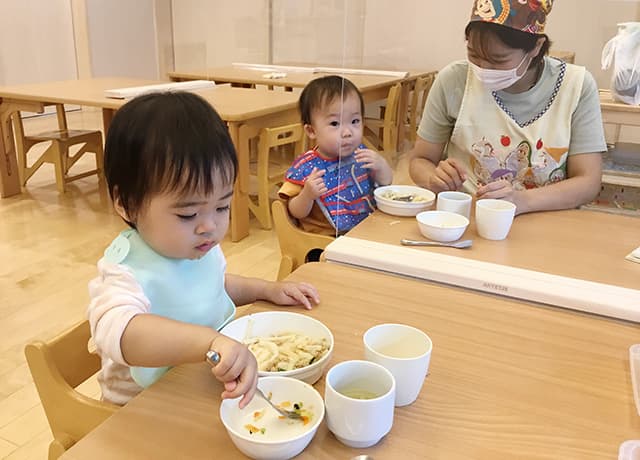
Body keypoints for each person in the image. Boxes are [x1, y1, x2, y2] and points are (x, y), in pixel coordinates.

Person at [88, 92, 320, 407]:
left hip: (195, 386)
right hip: (138, 409)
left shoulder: (196, 246)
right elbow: (121, 332)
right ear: (126, 203)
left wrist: (267, 290)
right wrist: (209, 343)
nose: (209, 226)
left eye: (222, 206)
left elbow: (214, 286)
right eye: (188, 214)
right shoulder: (124, 273)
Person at [409, 0, 606, 215]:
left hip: (547, 224)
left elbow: (588, 181)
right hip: (468, 221)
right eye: (474, 55)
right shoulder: (453, 80)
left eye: (498, 60)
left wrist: (522, 201)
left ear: (536, 47)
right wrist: (434, 178)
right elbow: (420, 160)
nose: (483, 69)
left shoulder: (576, 86)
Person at [278, 75, 393, 236]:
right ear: (311, 130)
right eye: (334, 124)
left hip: (364, 229)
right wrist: (307, 195)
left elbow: (386, 182)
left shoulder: (360, 153)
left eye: (354, 121)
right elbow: (293, 212)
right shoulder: (306, 168)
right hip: (323, 240)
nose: (347, 132)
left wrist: (381, 166)